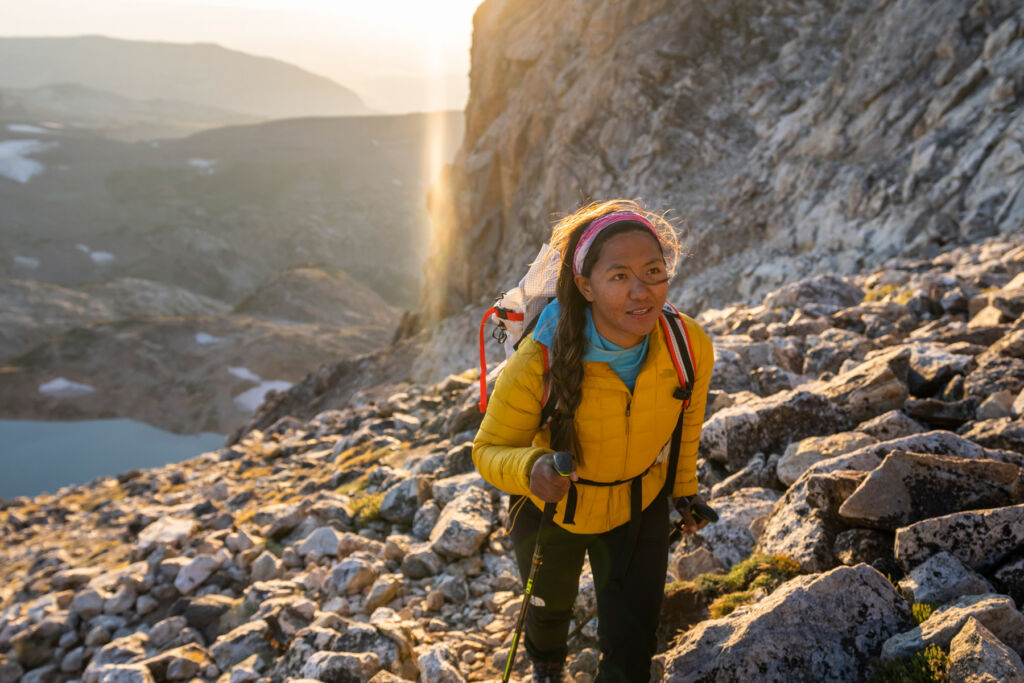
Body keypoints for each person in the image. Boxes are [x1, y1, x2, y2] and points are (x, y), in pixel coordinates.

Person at [473, 199, 715, 682]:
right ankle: (547, 668)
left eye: (653, 270)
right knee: (547, 609)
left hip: (638, 505)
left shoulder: (687, 344)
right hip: (550, 509)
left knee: (632, 641)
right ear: (585, 286)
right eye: (619, 276)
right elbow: (487, 450)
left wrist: (684, 492)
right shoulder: (539, 360)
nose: (641, 291)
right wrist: (532, 471)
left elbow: (687, 422)